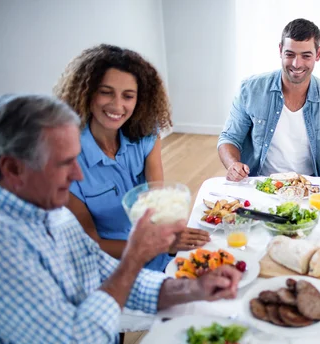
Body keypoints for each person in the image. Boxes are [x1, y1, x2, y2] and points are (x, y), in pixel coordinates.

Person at [0, 94, 241, 344]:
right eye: (64, 163)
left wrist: (193, 288)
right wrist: (135, 255)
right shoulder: (1, 245)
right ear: (13, 168)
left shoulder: (54, 216)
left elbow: (113, 277)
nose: (79, 175)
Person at [54, 44, 209, 272]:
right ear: (86, 93)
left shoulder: (146, 135)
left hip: (156, 247)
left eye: (128, 96)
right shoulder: (66, 160)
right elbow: (91, 244)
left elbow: (158, 202)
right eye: (106, 92)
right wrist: (161, 244)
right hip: (110, 262)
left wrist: (173, 235)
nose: (118, 105)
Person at [217, 18, 320, 185]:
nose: (296, 64)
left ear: (318, 54)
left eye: (306, 56)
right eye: (290, 54)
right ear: (280, 50)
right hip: (260, 184)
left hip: (310, 187)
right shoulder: (249, 90)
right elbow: (229, 138)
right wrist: (233, 165)